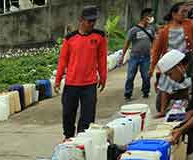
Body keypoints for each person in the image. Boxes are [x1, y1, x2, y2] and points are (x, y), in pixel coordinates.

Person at [54, 5, 108, 139]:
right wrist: (58, 79)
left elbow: (102, 59)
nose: (92, 24)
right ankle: (68, 137)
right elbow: (63, 60)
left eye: (94, 21)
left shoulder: (99, 37)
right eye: (89, 21)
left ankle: (83, 139)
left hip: (89, 84)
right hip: (72, 83)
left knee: (88, 115)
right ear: (81, 20)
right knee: (68, 113)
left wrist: (103, 77)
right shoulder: (70, 38)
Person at [150, 2, 193, 117]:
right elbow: (156, 51)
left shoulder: (190, 25)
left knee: (187, 85)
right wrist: (152, 67)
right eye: (182, 11)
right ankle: (163, 111)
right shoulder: (164, 31)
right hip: (170, 63)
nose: (185, 14)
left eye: (186, 11)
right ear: (174, 14)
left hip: (186, 60)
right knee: (164, 85)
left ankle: (189, 108)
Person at [121, 8, 156, 101]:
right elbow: (127, 42)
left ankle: (145, 92)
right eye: (150, 16)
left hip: (146, 57)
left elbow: (154, 41)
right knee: (130, 76)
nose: (151, 18)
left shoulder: (151, 29)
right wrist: (122, 56)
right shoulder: (133, 30)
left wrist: (154, 51)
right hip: (134, 57)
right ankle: (128, 93)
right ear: (144, 17)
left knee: (146, 76)